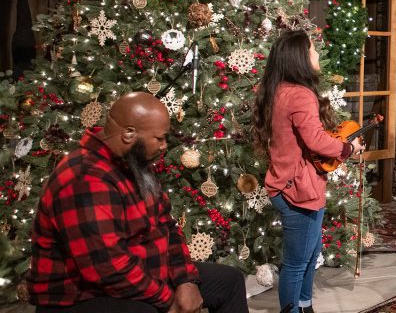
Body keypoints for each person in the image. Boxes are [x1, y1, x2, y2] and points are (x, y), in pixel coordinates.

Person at [28, 92, 248, 313]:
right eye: (159, 138)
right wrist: (168, 300)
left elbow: (167, 226)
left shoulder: (134, 162)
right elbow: (107, 268)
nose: (164, 146)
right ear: (128, 134)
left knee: (228, 282)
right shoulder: (86, 178)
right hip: (81, 296)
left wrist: (186, 281)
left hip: (143, 273)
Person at [252, 30, 364, 313]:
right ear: (300, 57)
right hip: (297, 190)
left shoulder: (278, 90)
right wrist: (347, 149)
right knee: (297, 262)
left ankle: (305, 305)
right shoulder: (301, 94)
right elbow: (315, 140)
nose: (316, 54)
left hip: (288, 185)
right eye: (312, 49)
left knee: (310, 254)